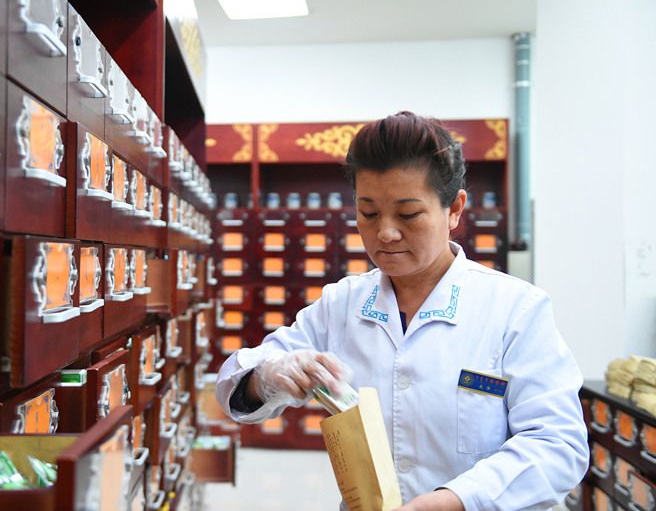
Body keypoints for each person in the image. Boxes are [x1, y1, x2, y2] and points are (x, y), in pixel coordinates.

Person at [215, 111, 589, 510]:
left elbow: (557, 445)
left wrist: (456, 500)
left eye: (408, 214)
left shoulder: (515, 310)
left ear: (455, 209)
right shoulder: (341, 305)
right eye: (368, 213)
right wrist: (267, 378)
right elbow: (233, 388)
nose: (386, 233)